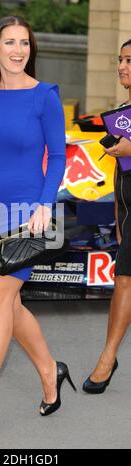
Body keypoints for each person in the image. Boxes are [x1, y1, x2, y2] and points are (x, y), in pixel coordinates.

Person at [0, 15, 76, 437]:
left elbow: (58, 157)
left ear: (30, 49)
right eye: (9, 42)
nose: (18, 50)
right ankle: (50, 371)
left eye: (24, 42)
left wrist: (45, 204)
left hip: (24, 214)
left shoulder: (45, 96)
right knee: (9, 305)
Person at [83, 39, 131, 394]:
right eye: (120, 60)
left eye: (129, 61)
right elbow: (120, 170)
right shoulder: (123, 112)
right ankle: (107, 357)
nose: (122, 67)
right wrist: (118, 215)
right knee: (124, 280)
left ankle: (107, 358)